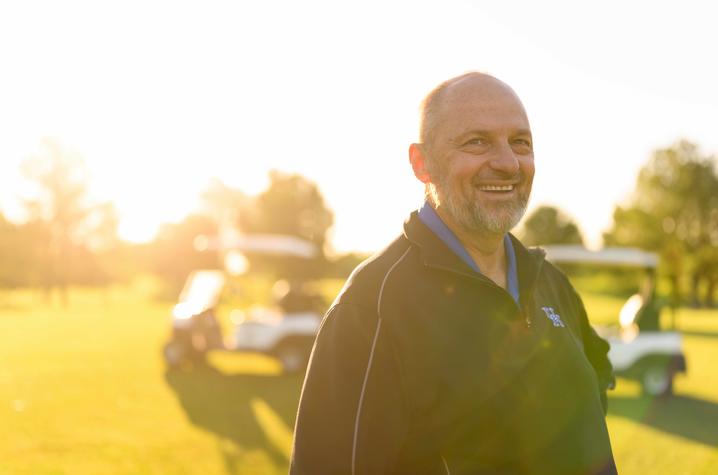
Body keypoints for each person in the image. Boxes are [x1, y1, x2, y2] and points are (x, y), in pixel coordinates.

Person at [290, 72, 617, 475]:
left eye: (521, 142)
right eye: (476, 142)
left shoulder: (551, 283)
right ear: (421, 163)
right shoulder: (373, 305)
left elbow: (593, 392)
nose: (507, 162)